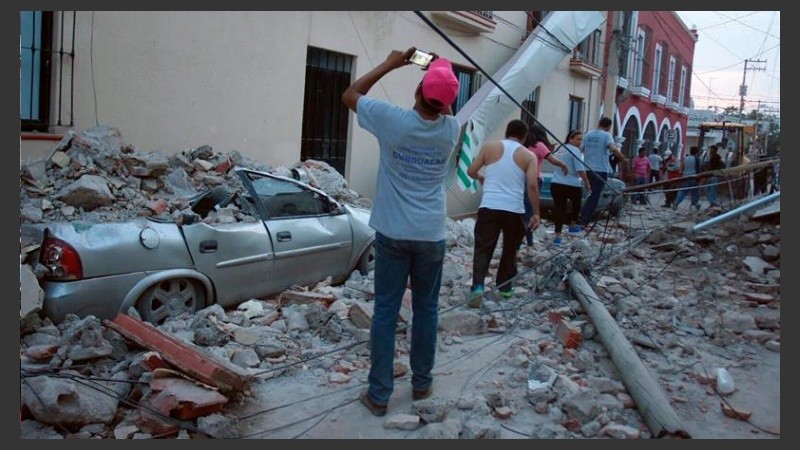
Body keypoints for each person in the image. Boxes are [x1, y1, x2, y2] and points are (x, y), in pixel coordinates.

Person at [342, 47, 460, 416]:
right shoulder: (451, 130)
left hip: (393, 233)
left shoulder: (392, 120)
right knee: (426, 310)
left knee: (385, 312)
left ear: (418, 91)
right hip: (431, 234)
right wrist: (440, 76)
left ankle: (379, 395)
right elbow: (443, 105)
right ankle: (422, 383)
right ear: (446, 103)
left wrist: (392, 64)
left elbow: (350, 94)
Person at [466, 119, 539, 308]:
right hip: (514, 209)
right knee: (510, 249)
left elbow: (471, 170)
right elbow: (532, 185)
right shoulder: (529, 156)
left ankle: (478, 287)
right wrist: (536, 212)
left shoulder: (489, 147)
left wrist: (481, 177)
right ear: (524, 136)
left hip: (489, 206)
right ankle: (505, 287)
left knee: (483, 248)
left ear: (507, 131)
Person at [522, 123, 568, 246]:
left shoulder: (524, 146)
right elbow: (552, 159)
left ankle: (523, 238)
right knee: (531, 211)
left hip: (521, 180)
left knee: (523, 209)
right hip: (534, 179)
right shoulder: (539, 145)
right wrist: (563, 165)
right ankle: (528, 240)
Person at [578, 117, 628, 227]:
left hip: (588, 169)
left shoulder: (588, 135)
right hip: (601, 170)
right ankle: (584, 220)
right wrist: (623, 158)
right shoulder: (606, 135)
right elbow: (613, 148)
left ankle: (583, 217)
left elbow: (580, 149)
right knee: (594, 196)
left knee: (590, 195)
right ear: (608, 126)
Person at [549, 130, 591, 246]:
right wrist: (587, 183)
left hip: (556, 182)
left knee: (559, 209)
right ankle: (572, 226)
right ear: (570, 139)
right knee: (576, 205)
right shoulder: (575, 151)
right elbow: (580, 170)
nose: (580, 142)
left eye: (581, 139)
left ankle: (558, 237)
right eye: (578, 139)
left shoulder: (560, 149)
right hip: (572, 183)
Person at [674, 146, 701, 210]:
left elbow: (683, 168)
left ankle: (676, 202)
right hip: (693, 177)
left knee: (683, 191)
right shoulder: (696, 159)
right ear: (696, 152)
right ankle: (694, 204)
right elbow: (698, 169)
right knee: (695, 191)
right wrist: (699, 178)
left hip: (685, 177)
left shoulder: (686, 158)